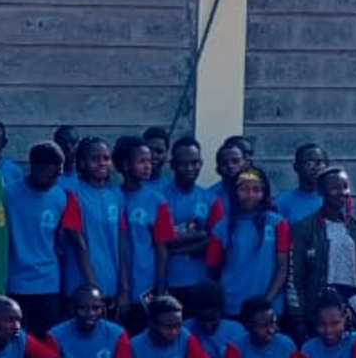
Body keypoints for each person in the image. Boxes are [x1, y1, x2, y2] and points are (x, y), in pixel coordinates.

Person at [287, 167, 356, 340]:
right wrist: (298, 317)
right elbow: (295, 277)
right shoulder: (304, 229)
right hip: (321, 309)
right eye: (335, 188)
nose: (342, 192)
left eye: (345, 187)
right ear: (321, 191)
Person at [1, 142, 74, 337]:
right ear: (35, 167)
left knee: (48, 339)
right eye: (51, 175)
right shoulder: (7, 195)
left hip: (49, 283)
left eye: (58, 175)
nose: (54, 181)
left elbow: (58, 239)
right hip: (17, 283)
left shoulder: (59, 197)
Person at [206, 166, 290, 318]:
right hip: (233, 306)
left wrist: (266, 302)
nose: (250, 195)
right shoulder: (221, 228)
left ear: (264, 193)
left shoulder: (278, 223)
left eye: (256, 190)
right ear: (234, 192)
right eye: (243, 189)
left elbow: (282, 268)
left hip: (269, 308)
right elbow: (213, 268)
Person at [61, 136, 128, 312]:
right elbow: (78, 244)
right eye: (95, 159)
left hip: (111, 287)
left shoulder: (116, 196)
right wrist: (94, 289)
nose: (102, 163)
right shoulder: (72, 194)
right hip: (82, 289)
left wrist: (124, 289)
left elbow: (121, 243)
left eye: (106, 158)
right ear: (82, 163)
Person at [114, 135, 170, 322]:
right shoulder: (112, 197)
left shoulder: (157, 200)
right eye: (142, 161)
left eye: (149, 161)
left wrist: (160, 290)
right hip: (113, 285)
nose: (148, 166)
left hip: (145, 286)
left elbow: (162, 249)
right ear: (126, 165)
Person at [160, 139, 221, 299]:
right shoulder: (159, 198)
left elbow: (215, 240)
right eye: (183, 163)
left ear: (201, 163)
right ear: (172, 165)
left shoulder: (211, 199)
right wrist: (200, 235)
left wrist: (180, 248)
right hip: (168, 281)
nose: (189, 168)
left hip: (201, 281)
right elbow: (163, 241)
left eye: (194, 163)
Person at [280, 143, 329, 226]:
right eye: (309, 164)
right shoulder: (282, 203)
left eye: (319, 163)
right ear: (296, 167)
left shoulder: (335, 199)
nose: (315, 168)